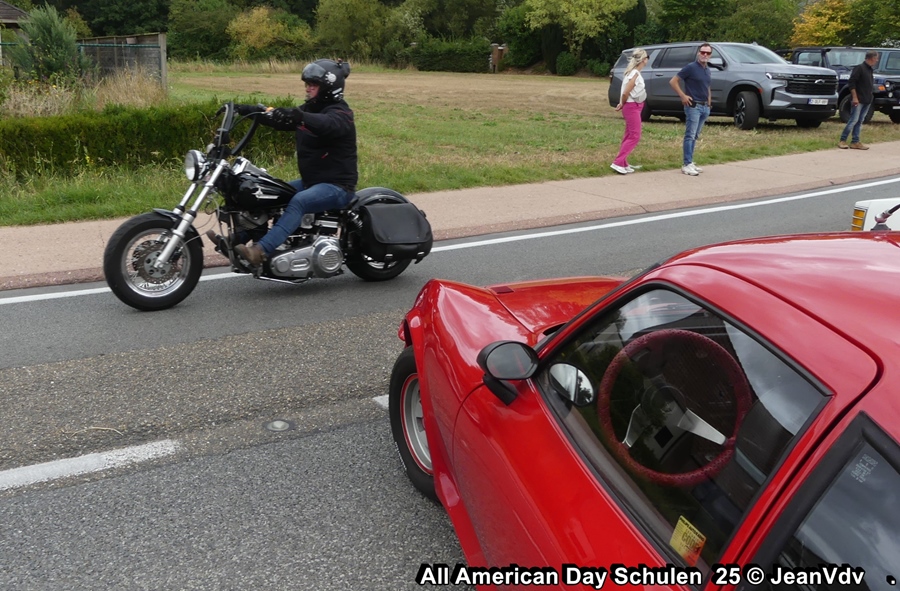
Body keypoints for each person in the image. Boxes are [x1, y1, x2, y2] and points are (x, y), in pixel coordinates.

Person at [221, 59, 358, 267]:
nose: (308, 88)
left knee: (299, 201)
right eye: (307, 84)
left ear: (329, 88)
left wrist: (300, 116)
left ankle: (260, 251)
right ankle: (236, 241)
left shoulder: (341, 114)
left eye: (313, 84)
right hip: (311, 182)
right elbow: (282, 118)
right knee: (267, 194)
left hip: (338, 187)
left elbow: (326, 124)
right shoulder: (311, 109)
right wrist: (246, 110)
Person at [669, 44, 713, 176]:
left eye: (707, 53)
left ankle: (690, 161)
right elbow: (673, 81)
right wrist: (682, 96)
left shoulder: (707, 70)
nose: (705, 55)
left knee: (695, 135)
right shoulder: (691, 67)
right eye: (703, 52)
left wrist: (709, 103)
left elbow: (707, 86)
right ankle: (686, 164)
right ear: (698, 53)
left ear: (710, 55)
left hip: (704, 107)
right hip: (693, 106)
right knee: (690, 135)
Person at [611, 48, 649, 175]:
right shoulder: (634, 74)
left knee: (628, 135)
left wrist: (622, 103)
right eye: (647, 57)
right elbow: (626, 92)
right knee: (635, 136)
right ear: (643, 60)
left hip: (635, 106)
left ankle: (623, 162)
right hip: (632, 106)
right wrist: (622, 103)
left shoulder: (633, 73)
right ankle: (618, 162)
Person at [839, 50, 879, 150]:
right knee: (853, 120)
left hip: (867, 99)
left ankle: (855, 141)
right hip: (858, 99)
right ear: (872, 58)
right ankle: (842, 140)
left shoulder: (870, 69)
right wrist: (855, 97)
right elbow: (852, 83)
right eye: (876, 58)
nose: (877, 60)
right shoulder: (859, 68)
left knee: (860, 121)